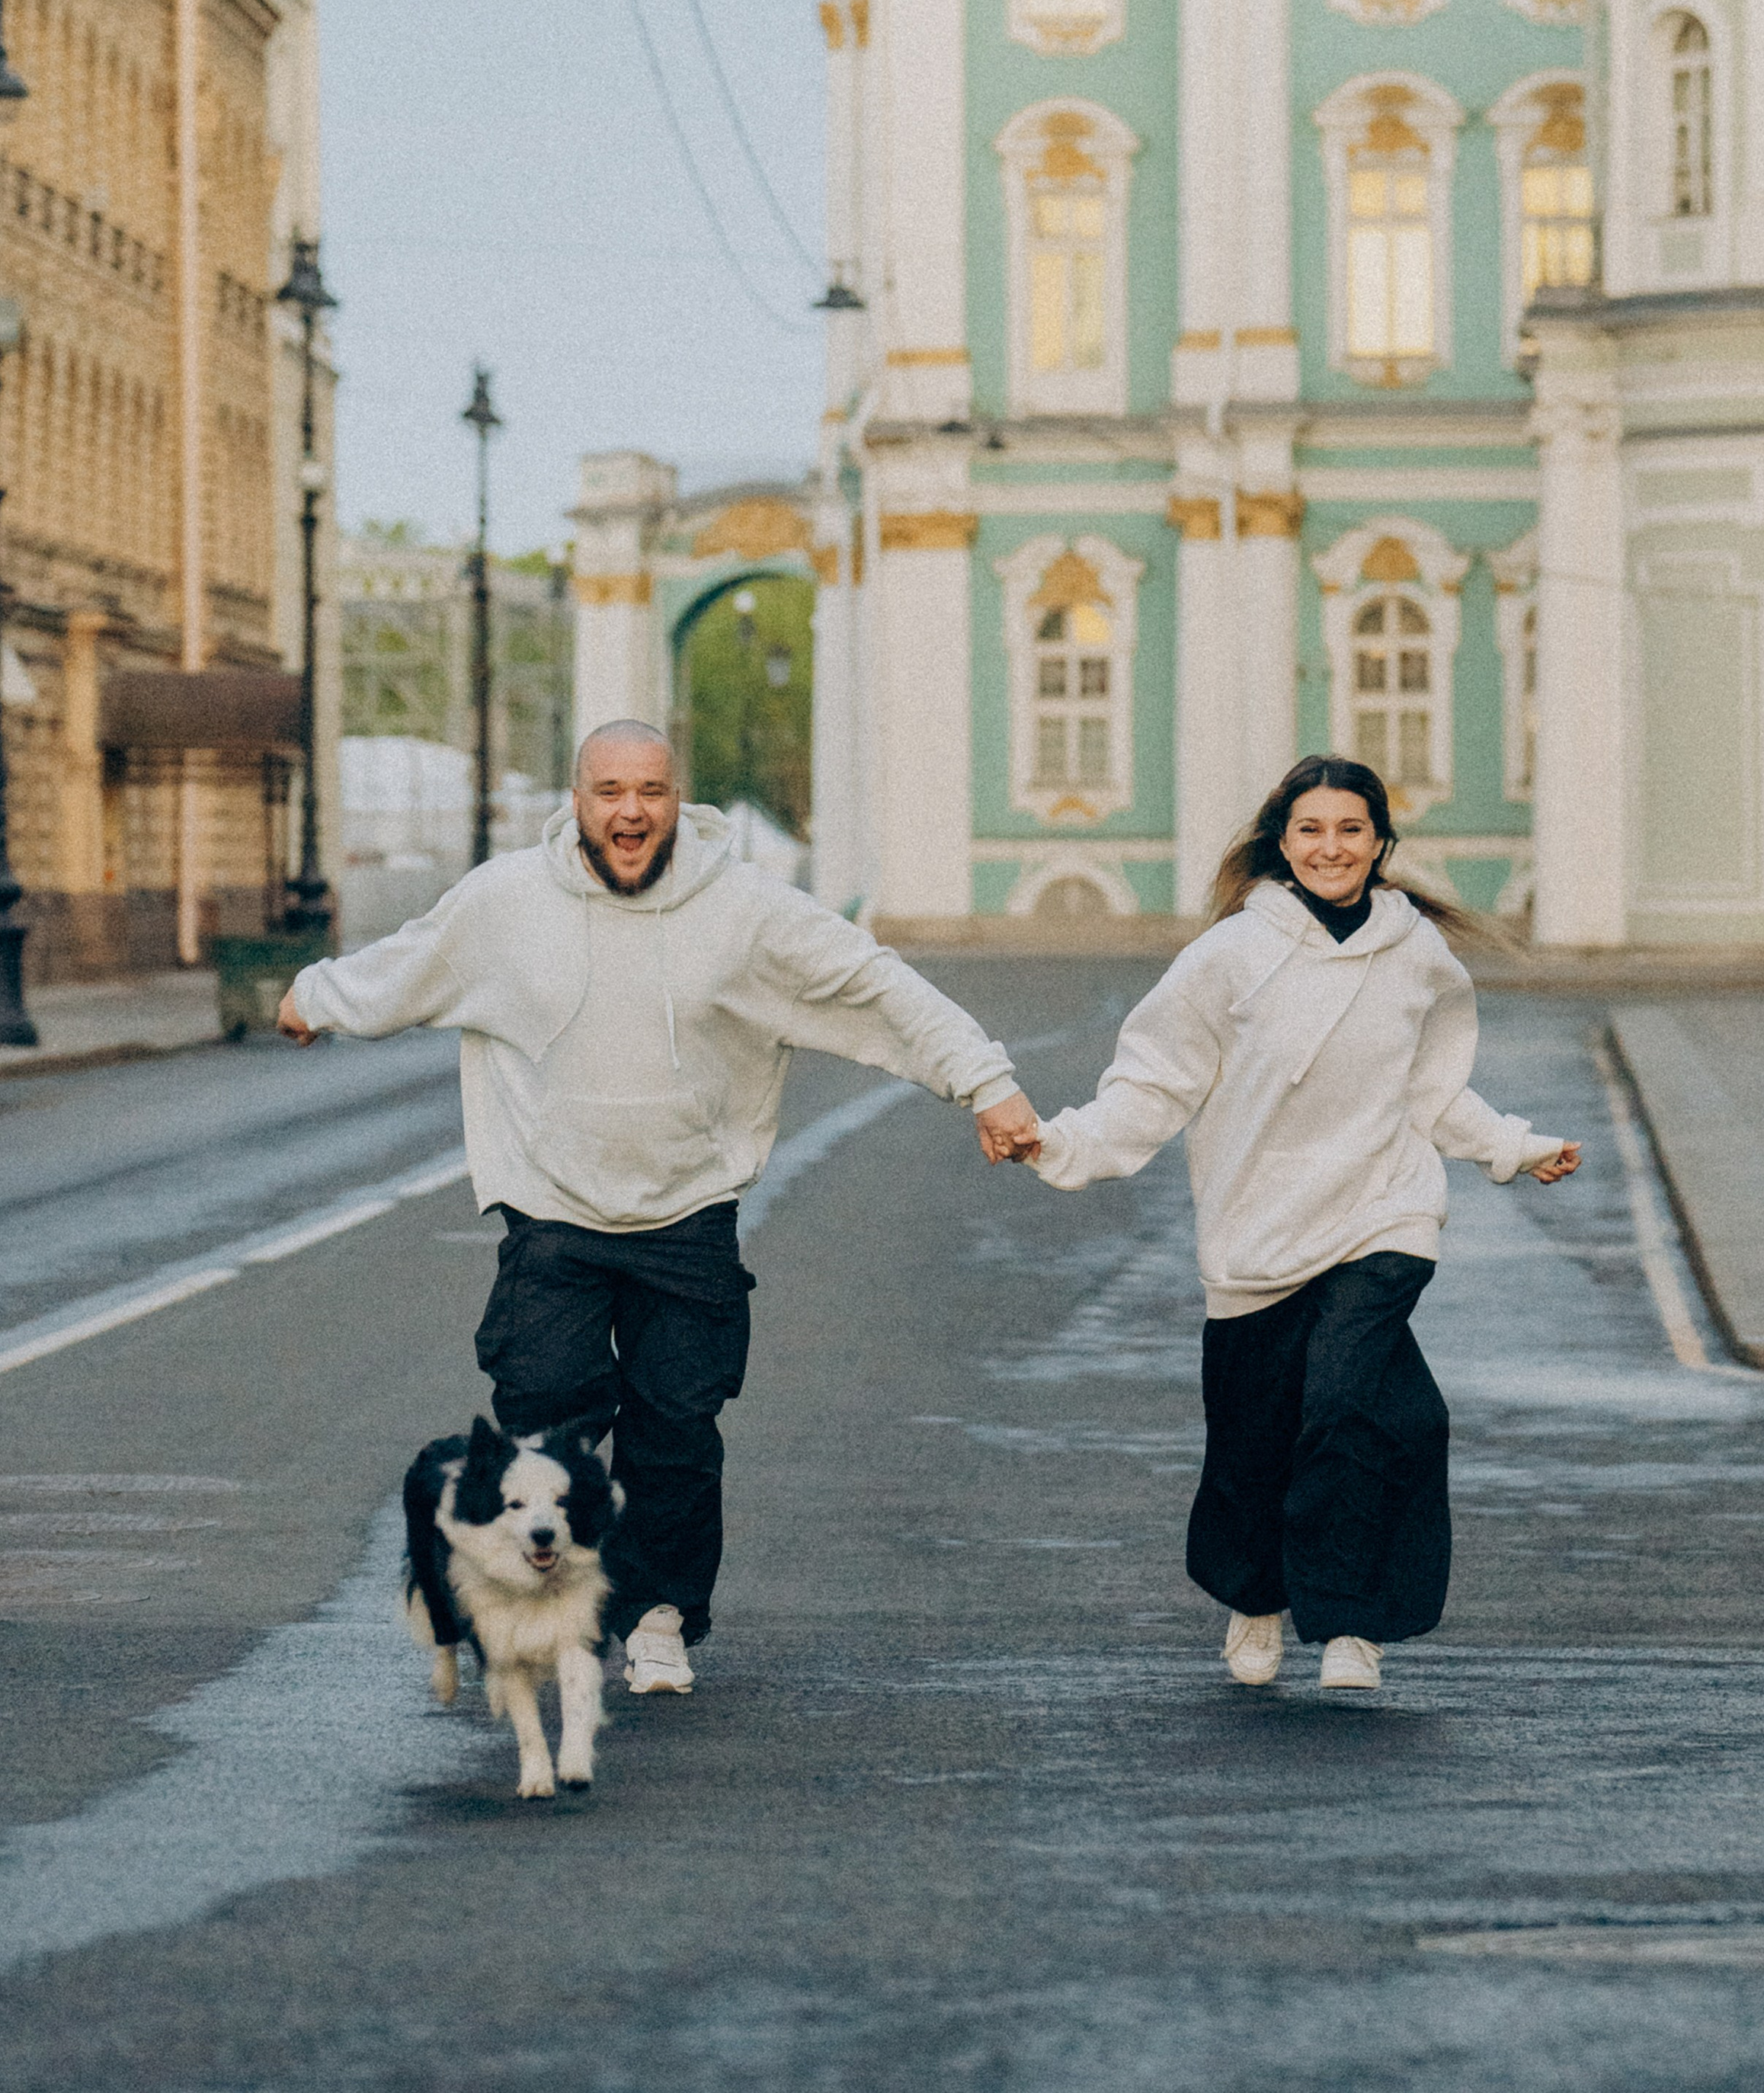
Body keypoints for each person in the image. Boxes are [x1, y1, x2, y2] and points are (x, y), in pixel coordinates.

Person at [278, 721, 1039, 1695]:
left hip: (688, 1214)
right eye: (608, 792)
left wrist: (985, 1081)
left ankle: (657, 1617)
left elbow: (873, 986)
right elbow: (412, 961)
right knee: (544, 1414)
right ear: (577, 799)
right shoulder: (508, 902)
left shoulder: (748, 910)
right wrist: (315, 996)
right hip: (553, 1214)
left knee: (676, 1427)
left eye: (650, 790)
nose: (630, 811)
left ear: (677, 798)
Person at [978, 755, 1580, 1693]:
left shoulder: (1417, 954)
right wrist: (1060, 1143)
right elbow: (1152, 1084)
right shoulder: (1226, 958)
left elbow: (1432, 1092)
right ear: (1280, 842)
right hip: (1257, 1232)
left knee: (1349, 1407)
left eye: (1350, 830)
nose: (1330, 847)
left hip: (1383, 1215)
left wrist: (1513, 1146)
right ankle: (1257, 1597)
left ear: (1381, 844)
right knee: (1255, 1439)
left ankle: (1348, 1625)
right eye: (1310, 830)